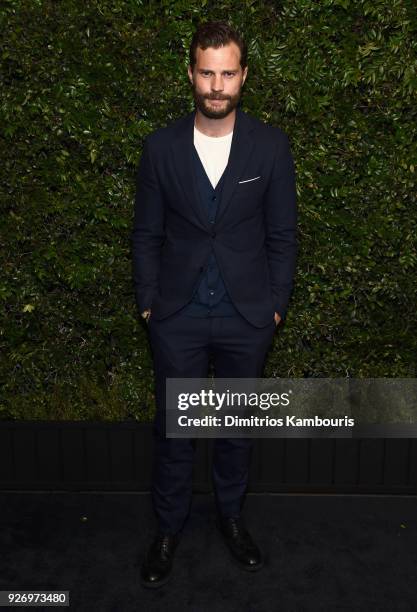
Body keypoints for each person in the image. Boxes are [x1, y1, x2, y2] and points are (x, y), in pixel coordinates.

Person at [131, 20, 298, 588]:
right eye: (207, 73)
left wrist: (275, 305)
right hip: (176, 316)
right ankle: (168, 528)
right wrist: (150, 304)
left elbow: (283, 236)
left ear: (244, 76)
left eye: (228, 73)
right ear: (191, 74)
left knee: (233, 428)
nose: (217, 85)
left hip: (245, 316)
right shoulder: (160, 148)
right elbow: (146, 234)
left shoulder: (271, 147)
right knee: (175, 429)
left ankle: (230, 518)